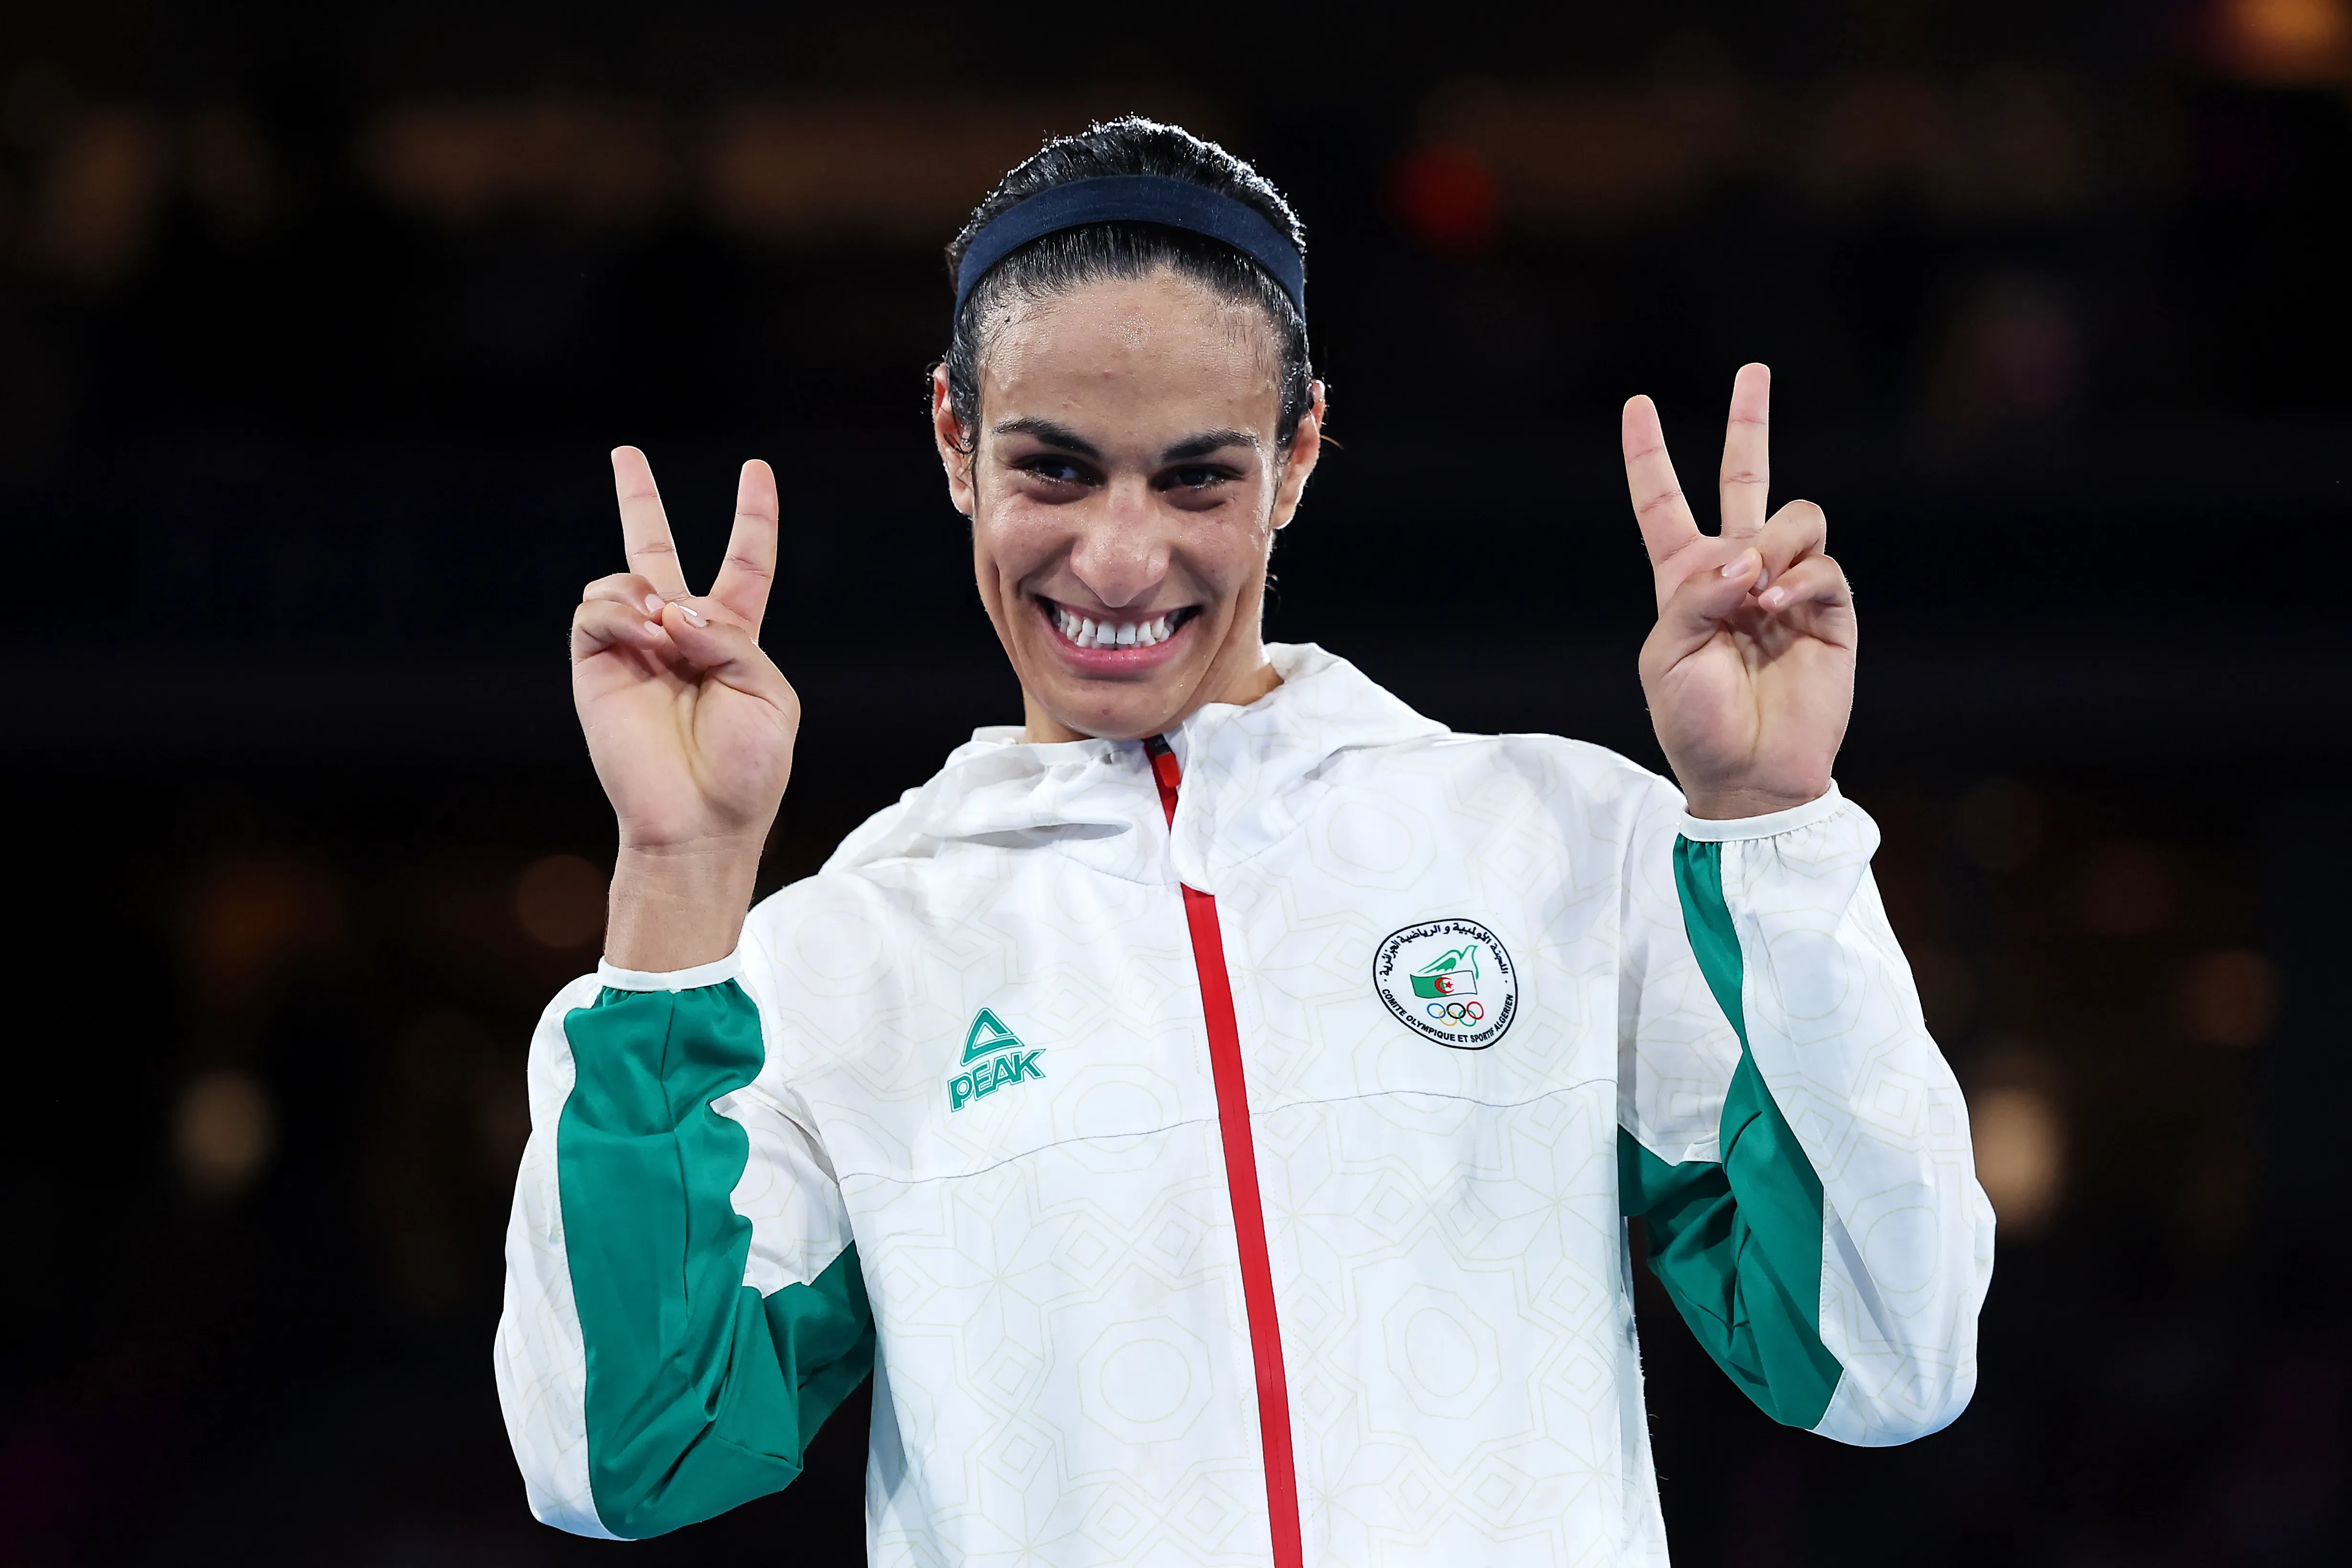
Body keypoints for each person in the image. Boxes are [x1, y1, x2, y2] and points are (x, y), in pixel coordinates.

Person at [495, 117, 1994, 1565]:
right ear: (955, 437)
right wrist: (679, 878)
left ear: (1299, 452)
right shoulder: (843, 962)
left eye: (1196, 477)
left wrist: (1773, 829)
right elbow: (626, 1457)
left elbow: (1882, 1353)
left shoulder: (1564, 854)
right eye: (1053, 469)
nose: (1119, 558)